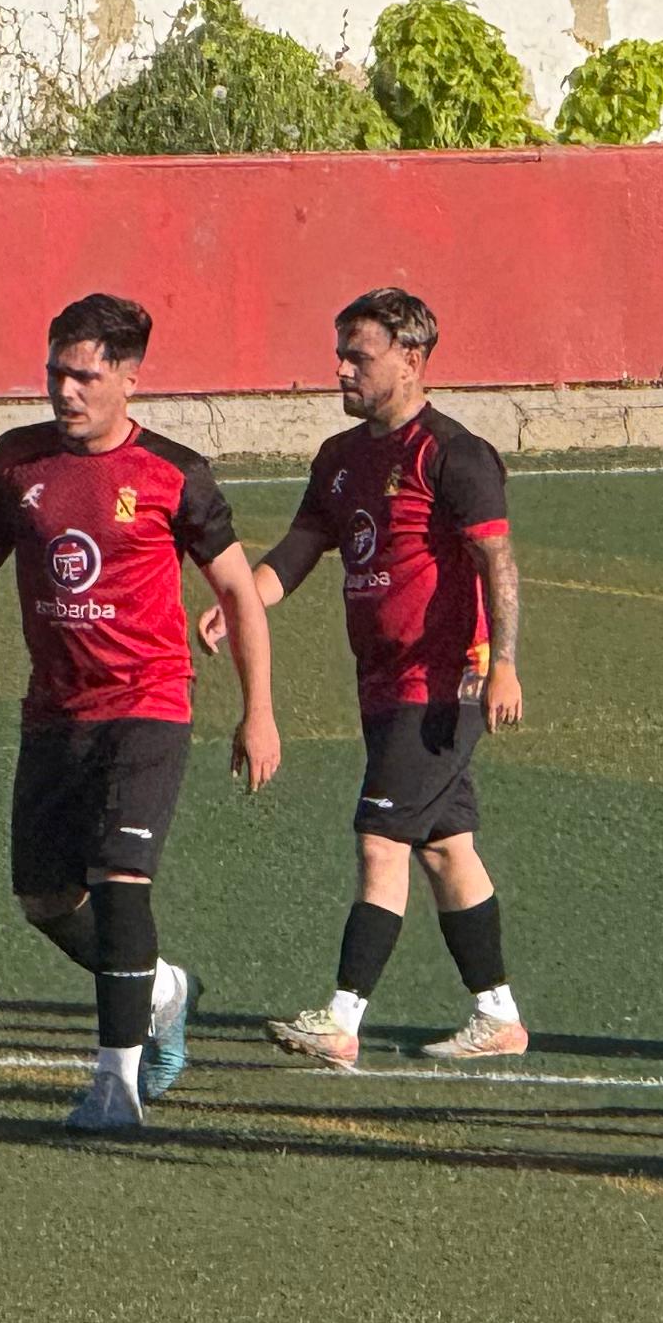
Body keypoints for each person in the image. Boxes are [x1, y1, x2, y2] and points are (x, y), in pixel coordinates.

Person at [0, 292, 280, 1131]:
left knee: (121, 880)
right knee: (44, 899)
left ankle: (116, 1084)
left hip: (148, 705)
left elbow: (240, 593)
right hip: (54, 713)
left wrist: (260, 713)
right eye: (56, 372)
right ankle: (165, 989)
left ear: (130, 381)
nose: (66, 391)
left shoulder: (175, 474)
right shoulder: (16, 461)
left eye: (86, 376)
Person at [227, 289, 532, 1068]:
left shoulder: (455, 454)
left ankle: (341, 1017)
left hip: (442, 686)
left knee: (380, 842)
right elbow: (301, 546)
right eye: (341, 353)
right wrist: (243, 604)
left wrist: (502, 665)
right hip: (382, 685)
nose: (341, 369)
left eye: (357, 356)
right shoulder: (340, 458)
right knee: (445, 849)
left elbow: (497, 560)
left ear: (411, 358)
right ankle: (497, 1016)